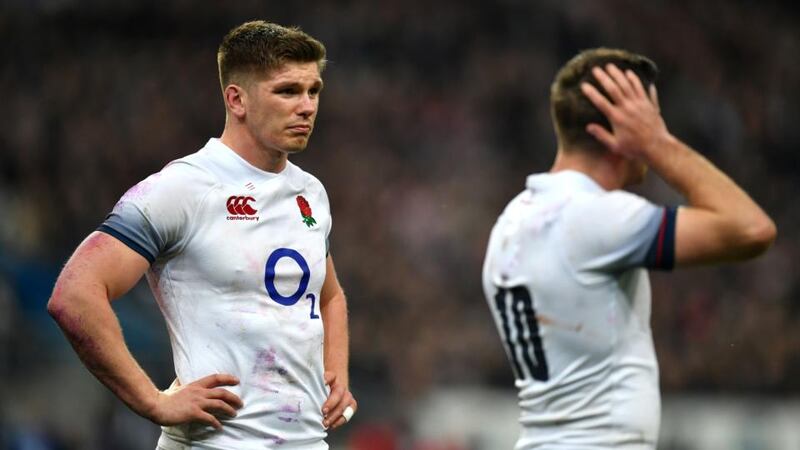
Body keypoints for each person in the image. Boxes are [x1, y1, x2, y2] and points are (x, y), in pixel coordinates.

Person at [47, 21, 356, 449]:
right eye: (287, 91)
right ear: (237, 99)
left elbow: (329, 295)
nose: (307, 106)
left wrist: (337, 372)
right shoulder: (185, 188)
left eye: (313, 91)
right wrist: (152, 401)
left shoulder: (311, 193)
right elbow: (74, 294)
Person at [481, 48, 776, 449]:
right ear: (621, 129)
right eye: (650, 119)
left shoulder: (510, 222)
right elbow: (751, 229)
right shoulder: (596, 218)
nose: (657, 127)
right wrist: (658, 144)